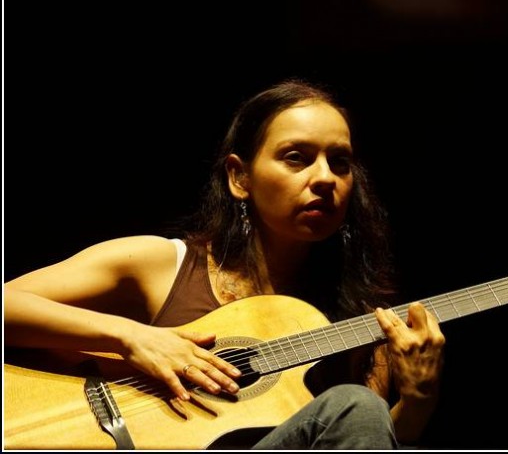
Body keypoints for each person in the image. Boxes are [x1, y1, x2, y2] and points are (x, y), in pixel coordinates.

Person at [4, 78, 446, 450]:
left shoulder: (365, 325)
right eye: (297, 157)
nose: (326, 178)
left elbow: (364, 437)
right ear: (240, 178)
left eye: (341, 162)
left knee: (357, 407)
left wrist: (419, 399)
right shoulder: (161, 263)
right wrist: (133, 338)